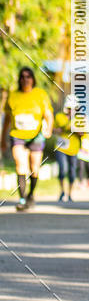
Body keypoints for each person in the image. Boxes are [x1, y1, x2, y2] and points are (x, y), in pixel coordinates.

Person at [1, 66, 53, 211]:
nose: (25, 79)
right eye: (22, 77)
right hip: (17, 136)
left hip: (36, 136)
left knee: (34, 168)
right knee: (20, 165)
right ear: (19, 79)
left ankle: (31, 195)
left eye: (28, 76)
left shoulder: (40, 94)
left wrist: (48, 129)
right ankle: (22, 199)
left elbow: (48, 115)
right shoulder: (13, 96)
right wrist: (2, 140)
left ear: (33, 79)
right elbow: (7, 120)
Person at [53, 96, 80, 202]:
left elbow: (82, 133)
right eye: (69, 108)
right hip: (61, 147)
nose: (70, 110)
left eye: (73, 108)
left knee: (72, 172)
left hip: (73, 149)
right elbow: (53, 129)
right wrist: (59, 130)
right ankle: (62, 191)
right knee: (62, 169)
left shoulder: (80, 118)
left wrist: (75, 130)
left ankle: (70, 193)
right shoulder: (59, 116)